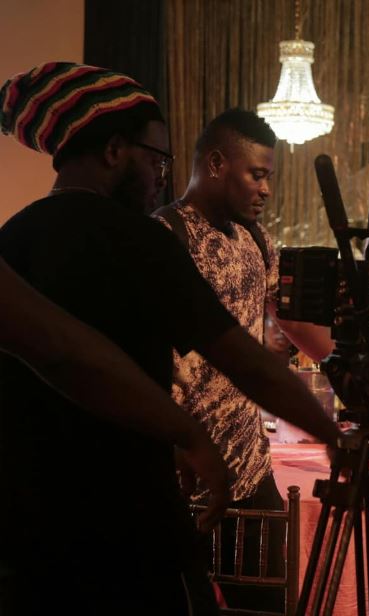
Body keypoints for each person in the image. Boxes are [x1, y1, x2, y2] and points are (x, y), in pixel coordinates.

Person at [0, 63, 339, 616]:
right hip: (128, 513)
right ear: (115, 151)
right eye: (156, 159)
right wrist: (333, 435)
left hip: (28, 516)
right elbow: (240, 358)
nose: (162, 176)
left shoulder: (12, 237)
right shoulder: (143, 239)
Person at [153, 108, 333, 612]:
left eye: (268, 177)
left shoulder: (257, 240)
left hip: (251, 468)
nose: (266, 190)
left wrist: (345, 359)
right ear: (216, 164)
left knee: (267, 606)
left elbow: (293, 321)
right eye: (257, 174)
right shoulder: (164, 235)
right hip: (181, 470)